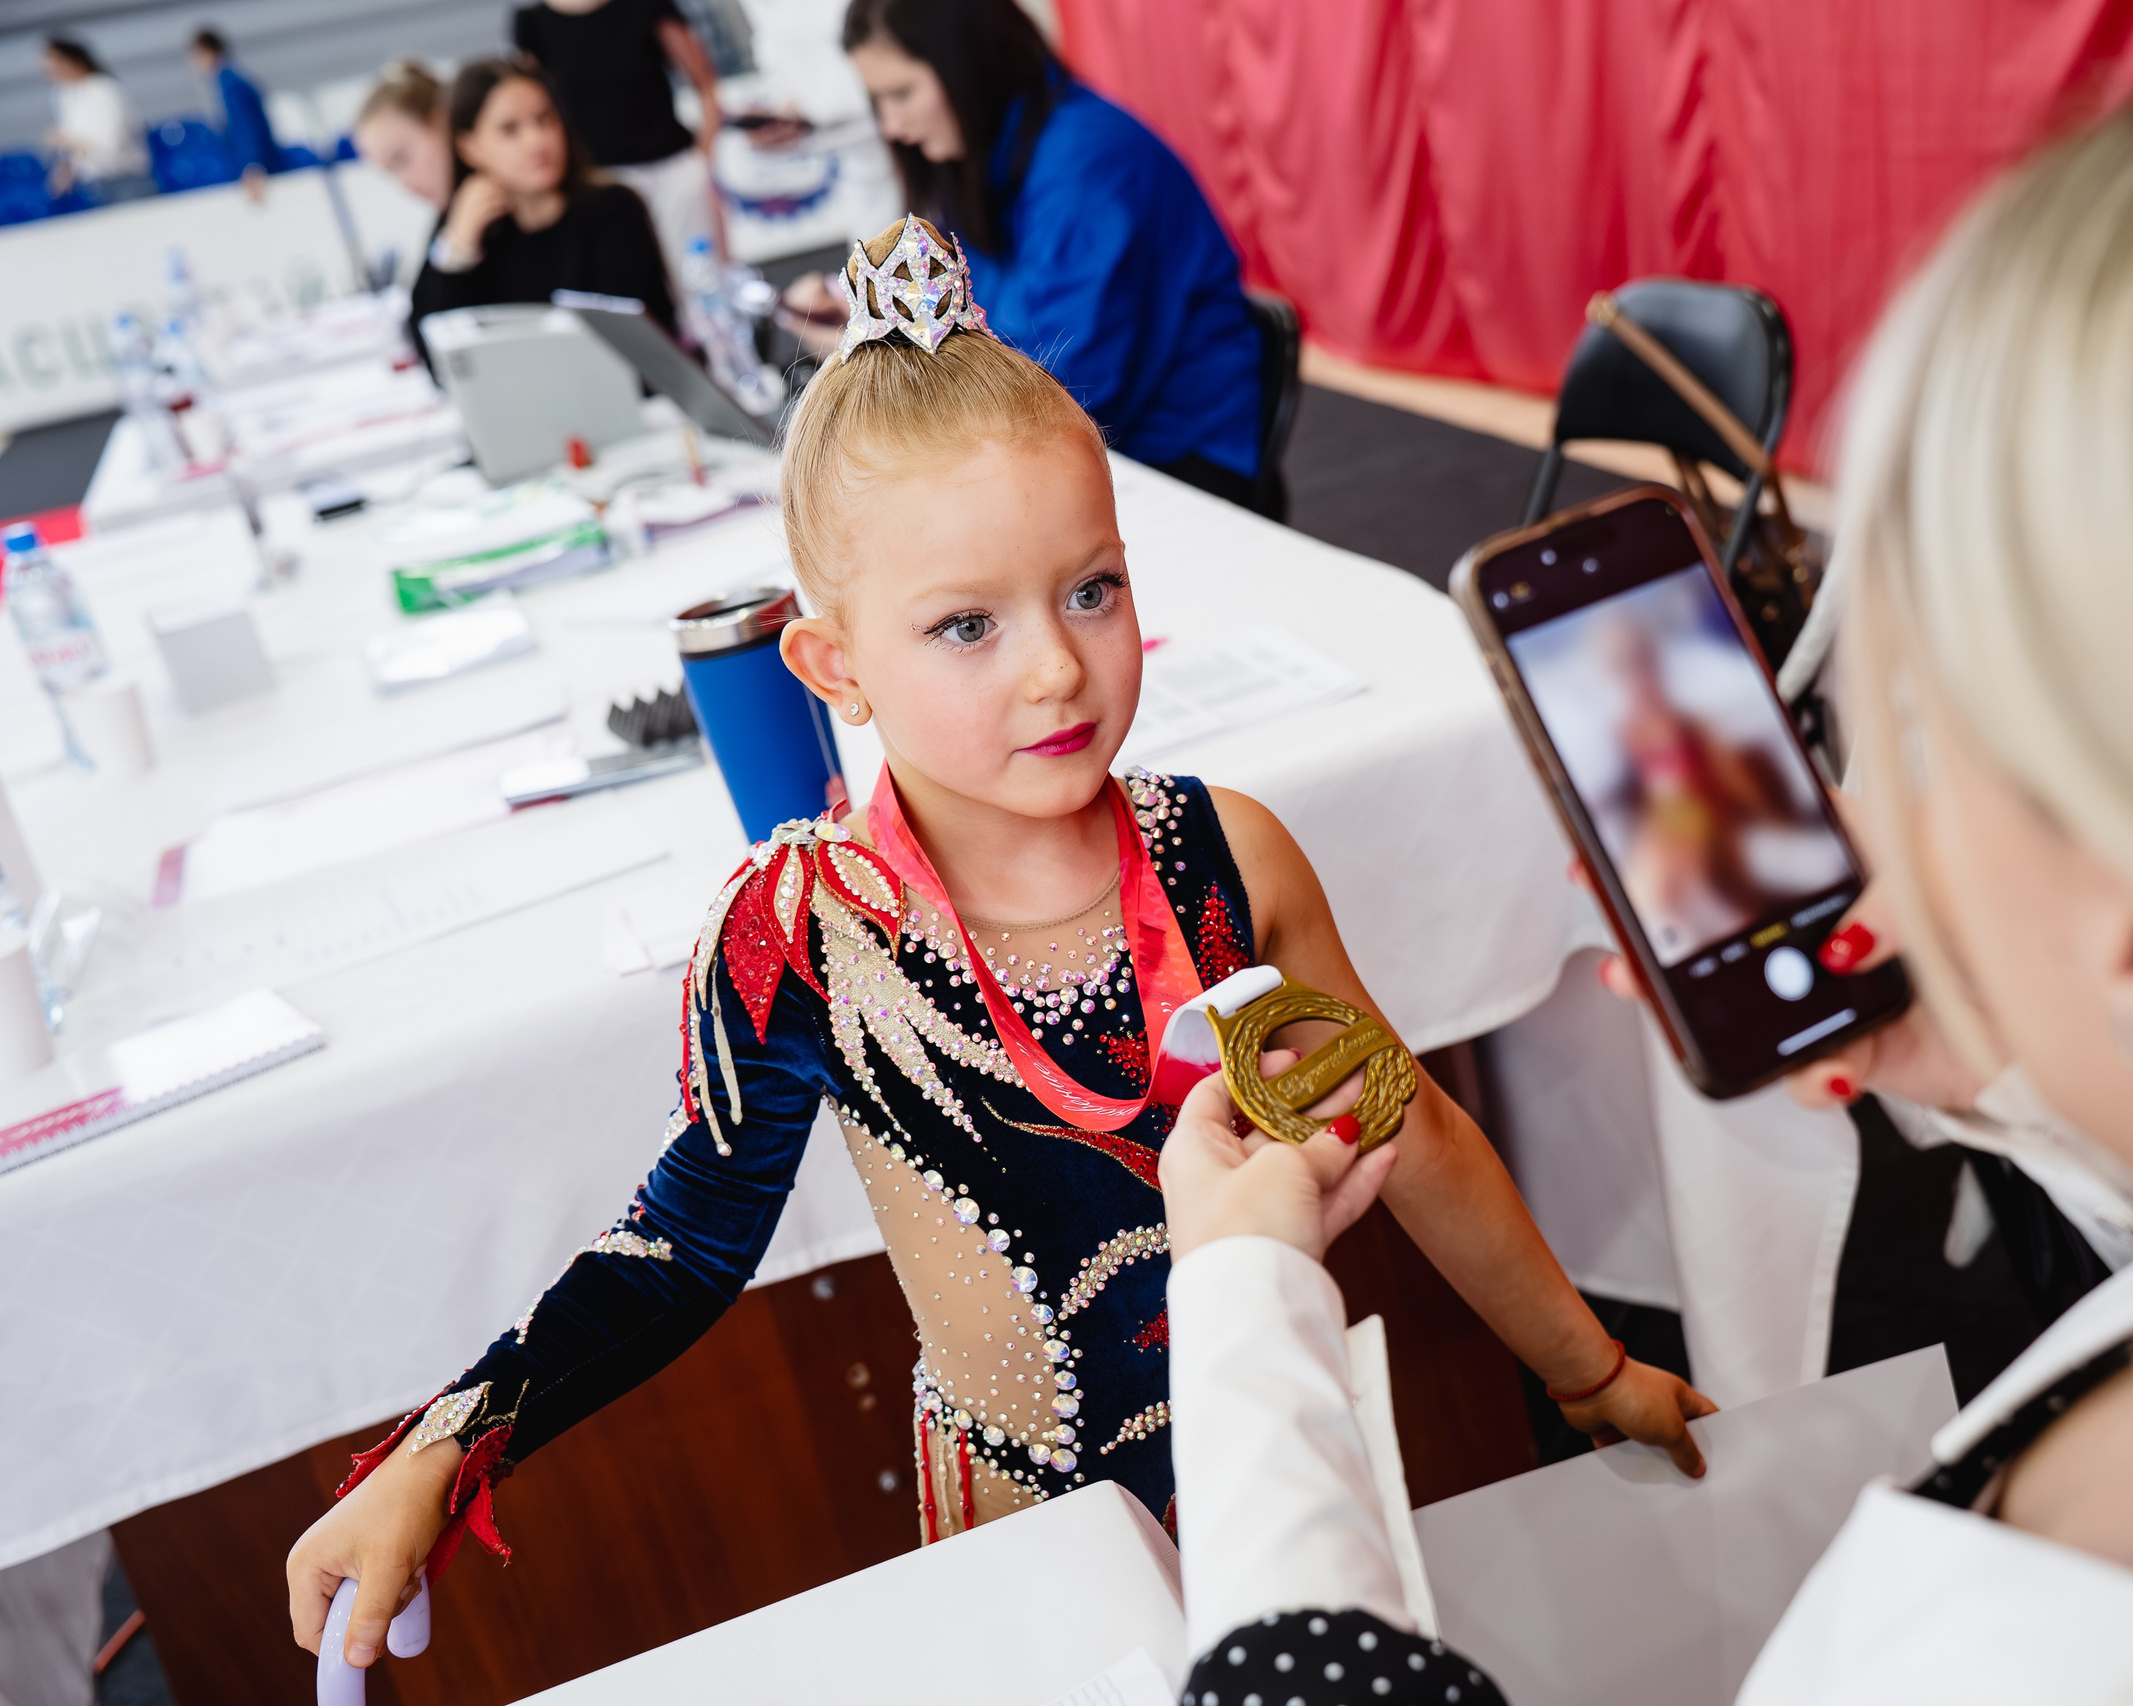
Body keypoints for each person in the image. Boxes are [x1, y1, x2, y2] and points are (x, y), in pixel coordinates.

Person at [1161, 17, 2133, 1705]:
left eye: (1900, 727)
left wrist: (1245, 1314)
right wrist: (2042, 1075)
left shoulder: (2031, 1649)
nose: (1852, 799)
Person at [285, 214, 1712, 1672]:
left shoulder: (1228, 857)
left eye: (1092, 589)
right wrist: (436, 1453)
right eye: (966, 626)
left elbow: (1410, 1130)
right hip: (1032, 1532)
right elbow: (675, 1250)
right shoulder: (808, 934)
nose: (1054, 665)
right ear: (834, 663)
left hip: (1278, 1453)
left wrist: (1584, 1364)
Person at [786, 0, 1267, 510]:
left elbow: (1059, 386)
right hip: (1087, 443)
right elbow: (972, 327)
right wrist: (873, 327)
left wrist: (885, 364)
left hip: (1173, 465)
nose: (892, 125)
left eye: (902, 93)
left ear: (969, 65)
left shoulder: (1087, 169)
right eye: (878, 100)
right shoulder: (997, 155)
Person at [405, 57, 677, 360]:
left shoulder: (613, 209)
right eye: (510, 129)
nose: (537, 140)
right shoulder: (463, 226)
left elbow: (644, 339)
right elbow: (435, 358)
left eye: (545, 119)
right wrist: (456, 253)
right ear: (470, 148)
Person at [512, 0, 727, 290]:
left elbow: (706, 84)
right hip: (602, 184)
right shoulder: (533, 24)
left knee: (707, 283)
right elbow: (534, 107)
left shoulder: (645, 7)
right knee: (636, 286)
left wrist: (703, 159)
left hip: (672, 172)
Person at [39, 38, 151, 206]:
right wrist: (65, 167)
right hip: (91, 186)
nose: (48, 73)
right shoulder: (63, 95)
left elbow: (110, 147)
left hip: (124, 180)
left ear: (72, 62)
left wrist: (68, 141)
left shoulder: (104, 90)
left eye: (52, 66)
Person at [187, 27, 288, 189]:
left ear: (207, 52)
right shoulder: (231, 79)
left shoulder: (229, 84)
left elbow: (245, 127)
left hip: (262, 167)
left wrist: (252, 166)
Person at [352, 60, 452, 212]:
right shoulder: (459, 225)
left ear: (440, 122)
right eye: (391, 172)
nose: (407, 185)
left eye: (402, 159)